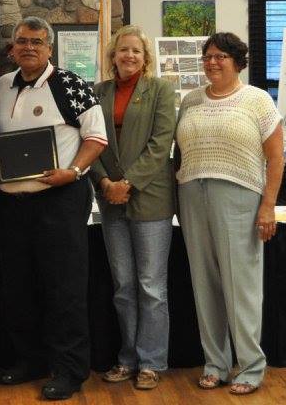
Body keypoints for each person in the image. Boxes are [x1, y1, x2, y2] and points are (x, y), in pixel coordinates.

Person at [0, 16, 107, 401]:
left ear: (49, 48)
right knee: (18, 287)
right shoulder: (1, 86)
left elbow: (96, 138)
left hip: (60, 199)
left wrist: (74, 171)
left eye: (37, 42)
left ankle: (70, 369)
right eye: (22, 41)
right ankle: (30, 360)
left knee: (65, 288)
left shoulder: (71, 84)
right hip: (12, 204)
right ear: (12, 47)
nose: (28, 47)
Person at [175, 32, 284, 396]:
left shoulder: (257, 101)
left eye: (220, 56)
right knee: (204, 284)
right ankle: (215, 364)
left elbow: (276, 158)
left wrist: (267, 205)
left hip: (239, 197)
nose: (212, 62)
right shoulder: (190, 100)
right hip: (191, 193)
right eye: (207, 56)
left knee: (242, 286)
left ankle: (251, 367)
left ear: (238, 61)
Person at [90, 25, 177, 391]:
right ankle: (128, 357)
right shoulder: (99, 92)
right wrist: (106, 183)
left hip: (151, 198)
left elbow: (161, 144)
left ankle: (152, 361)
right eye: (123, 50)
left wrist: (128, 182)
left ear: (146, 58)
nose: (129, 56)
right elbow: (89, 141)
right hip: (111, 200)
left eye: (136, 51)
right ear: (113, 56)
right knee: (123, 286)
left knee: (151, 287)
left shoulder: (160, 90)